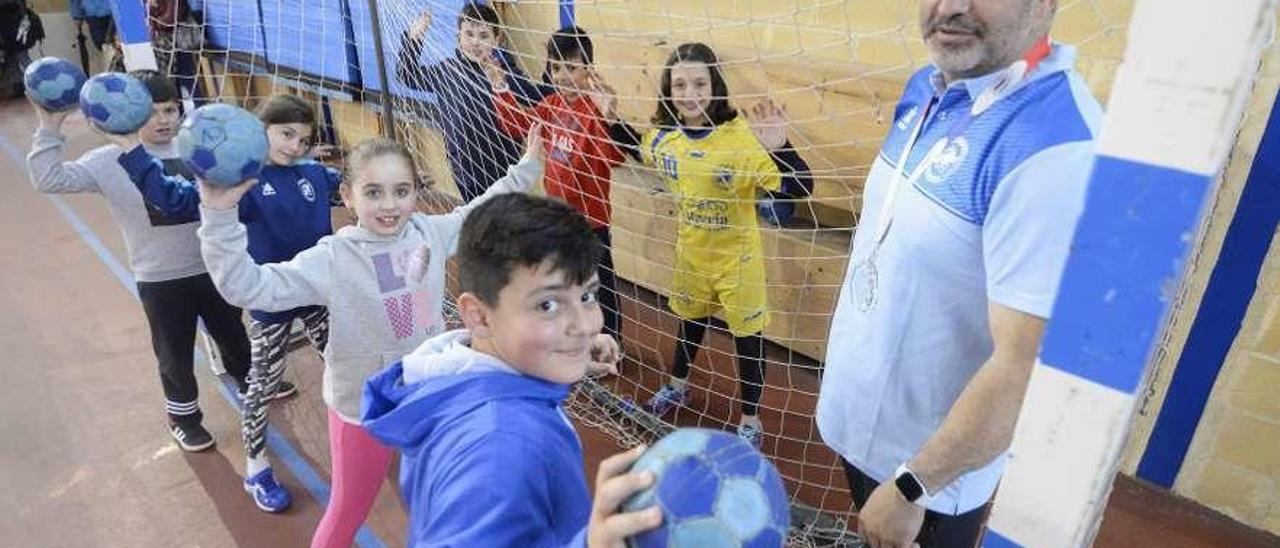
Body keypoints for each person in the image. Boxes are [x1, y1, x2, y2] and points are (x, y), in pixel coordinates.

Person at [814, 1, 1102, 547]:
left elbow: (1023, 370)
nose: (950, 7)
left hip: (928, 478)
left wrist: (911, 487)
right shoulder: (928, 85)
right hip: (866, 431)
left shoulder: (1057, 149)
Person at [194, 133, 544, 548]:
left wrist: (528, 167)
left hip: (423, 397)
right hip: (361, 406)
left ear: (416, 191)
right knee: (349, 509)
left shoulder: (429, 233)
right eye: (373, 192)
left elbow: (484, 210)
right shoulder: (332, 258)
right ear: (347, 195)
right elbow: (249, 288)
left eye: (401, 191)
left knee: (437, 498)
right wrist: (218, 216)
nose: (389, 205)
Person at [362, 192, 662, 546]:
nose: (583, 325)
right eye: (548, 304)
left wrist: (572, 354)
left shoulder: (448, 378)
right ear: (479, 315)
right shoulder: (498, 449)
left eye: (586, 296)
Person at [107, 94, 338, 514]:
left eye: (304, 140)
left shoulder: (316, 175)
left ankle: (368, 431)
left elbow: (363, 187)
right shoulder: (240, 184)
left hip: (319, 297)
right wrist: (131, 150)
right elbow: (173, 197)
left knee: (345, 365)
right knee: (260, 386)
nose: (295, 146)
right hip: (272, 305)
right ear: (257, 133)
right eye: (286, 134)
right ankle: (257, 468)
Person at [25, 69, 253, 452]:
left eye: (171, 109)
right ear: (127, 112)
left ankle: (251, 383)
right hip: (160, 278)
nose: (164, 120)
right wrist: (50, 124)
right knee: (173, 353)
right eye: (152, 112)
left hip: (214, 267)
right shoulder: (107, 160)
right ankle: (184, 418)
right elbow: (49, 179)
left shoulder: (196, 147)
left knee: (233, 333)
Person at [602, 42, 812, 448]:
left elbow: (800, 187)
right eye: (680, 84)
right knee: (690, 322)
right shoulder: (666, 138)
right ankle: (678, 385)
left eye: (699, 83)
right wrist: (611, 118)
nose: (690, 93)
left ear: (715, 87)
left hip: (739, 261)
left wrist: (781, 148)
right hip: (693, 256)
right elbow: (634, 147)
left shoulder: (739, 139)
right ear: (668, 89)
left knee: (748, 339)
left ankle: (751, 419)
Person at [489, 25, 624, 339]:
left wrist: (610, 120)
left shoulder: (595, 110)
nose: (562, 75)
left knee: (598, 286)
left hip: (591, 223)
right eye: (556, 67)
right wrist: (500, 89)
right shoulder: (551, 105)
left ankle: (610, 341)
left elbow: (613, 157)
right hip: (557, 220)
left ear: (588, 70)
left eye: (571, 67)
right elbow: (516, 124)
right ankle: (573, 335)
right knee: (566, 283)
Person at [394, 1, 545, 202]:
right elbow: (407, 76)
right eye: (469, 34)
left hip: (502, 170)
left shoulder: (505, 73)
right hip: (463, 171)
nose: (475, 42)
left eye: (483, 36)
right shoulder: (447, 70)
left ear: (497, 39)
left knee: (501, 224)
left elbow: (537, 97)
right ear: (458, 37)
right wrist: (414, 39)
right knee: (475, 222)